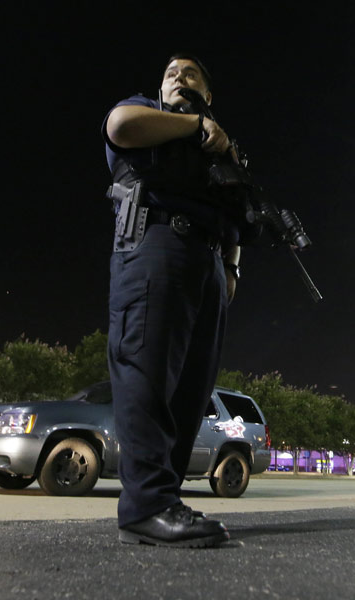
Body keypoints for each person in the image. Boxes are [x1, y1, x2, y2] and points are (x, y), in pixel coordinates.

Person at [103, 54, 243, 548]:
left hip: (206, 260)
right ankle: (146, 505)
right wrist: (194, 123)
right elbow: (120, 126)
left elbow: (235, 209)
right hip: (155, 243)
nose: (178, 78)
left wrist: (231, 265)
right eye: (169, 73)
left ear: (210, 91)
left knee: (192, 385)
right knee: (147, 368)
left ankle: (166, 502)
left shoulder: (218, 147)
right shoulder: (148, 112)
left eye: (190, 73)